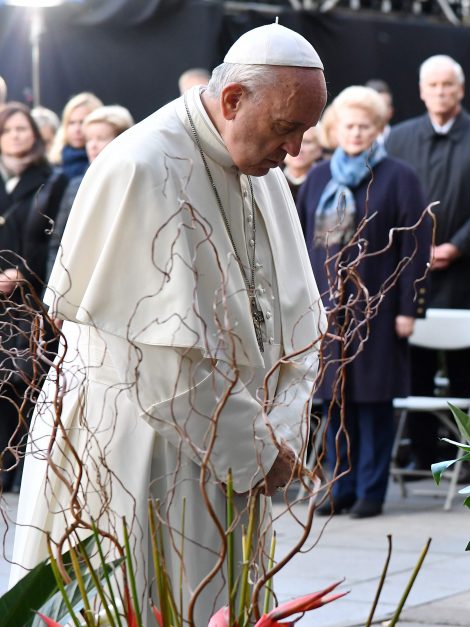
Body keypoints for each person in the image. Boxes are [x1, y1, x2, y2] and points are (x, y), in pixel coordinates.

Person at [10, 23, 328, 625]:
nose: (294, 149)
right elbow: (159, 363)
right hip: (141, 446)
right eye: (287, 128)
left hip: (233, 445)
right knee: (140, 598)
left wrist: (282, 430)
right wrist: (258, 448)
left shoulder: (263, 169)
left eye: (304, 132)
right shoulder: (142, 166)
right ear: (234, 100)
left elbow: (300, 317)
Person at [296, 85, 430, 518]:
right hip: (327, 312)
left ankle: (372, 489)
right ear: (334, 129)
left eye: (365, 126)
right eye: (348, 125)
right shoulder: (317, 177)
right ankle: (339, 486)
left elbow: (415, 246)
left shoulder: (399, 177)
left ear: (378, 130)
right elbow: (298, 245)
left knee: (373, 402)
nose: (355, 133)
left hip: (379, 309)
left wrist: (410, 308)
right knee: (334, 402)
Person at [386, 54, 470, 469]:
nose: (440, 92)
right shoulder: (398, 139)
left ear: (461, 89)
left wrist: (455, 246)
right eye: (433, 85)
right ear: (421, 91)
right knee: (414, 368)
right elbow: (390, 203)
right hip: (412, 274)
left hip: (467, 273)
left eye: (448, 85)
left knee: (464, 371)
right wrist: (415, 249)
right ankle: (422, 455)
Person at [0, 103, 55, 492]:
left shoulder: (50, 181)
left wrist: (23, 271)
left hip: (28, 300)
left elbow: (54, 236)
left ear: (35, 134)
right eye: (8, 130)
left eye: (23, 129)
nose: (16, 135)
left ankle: (20, 472)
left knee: (23, 382)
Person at [43, 105, 134, 281]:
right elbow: (58, 242)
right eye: (89, 139)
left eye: (101, 138)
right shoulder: (77, 184)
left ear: (121, 138)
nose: (92, 145)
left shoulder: (133, 179)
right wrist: (52, 292)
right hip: (78, 279)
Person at [47, 92, 102, 180]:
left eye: (82, 122)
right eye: (71, 123)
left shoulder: (102, 163)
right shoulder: (53, 164)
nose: (77, 129)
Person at [282, 126, 323, 200]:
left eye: (307, 142)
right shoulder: (269, 177)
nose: (299, 149)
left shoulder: (325, 181)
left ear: (319, 148)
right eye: (292, 141)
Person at [365, 78, 394, 143]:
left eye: (383, 106)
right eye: (373, 106)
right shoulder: (351, 141)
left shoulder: (402, 139)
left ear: (391, 111)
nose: (378, 111)